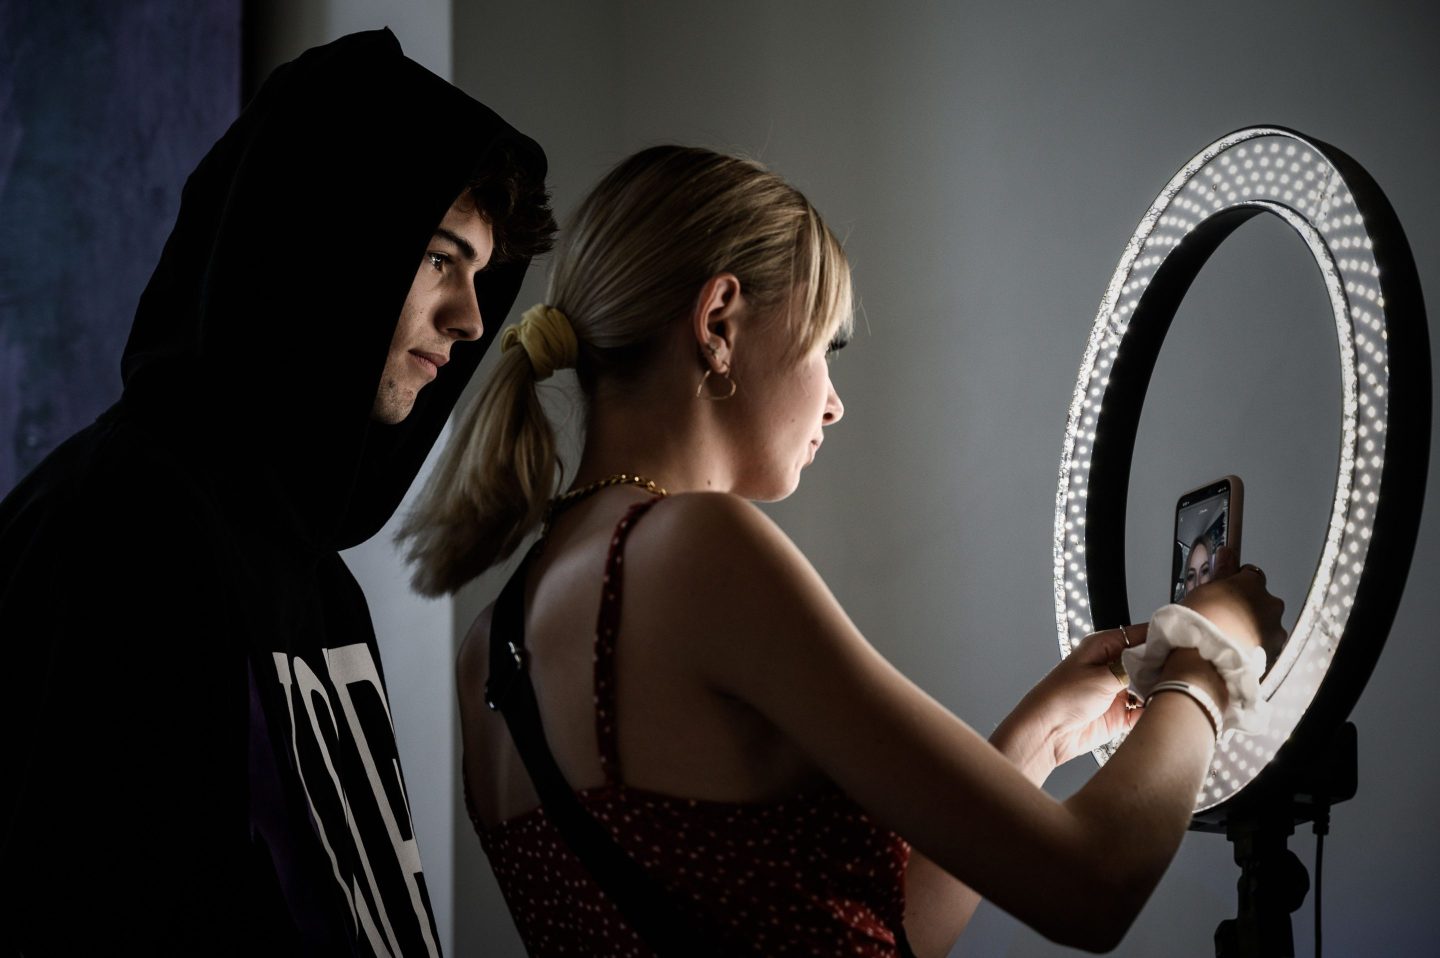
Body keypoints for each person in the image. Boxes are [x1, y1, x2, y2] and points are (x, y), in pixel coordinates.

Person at [401, 146, 1286, 956]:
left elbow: (868, 933)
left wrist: (1041, 736)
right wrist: (1208, 652)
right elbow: (1091, 887)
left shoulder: (490, 645)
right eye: (826, 346)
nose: (833, 402)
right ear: (719, 321)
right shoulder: (694, 551)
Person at [0, 30, 555, 955]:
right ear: (324, 244)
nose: (469, 320)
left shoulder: (312, 573)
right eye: (438, 259)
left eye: (478, 275)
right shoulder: (121, 527)